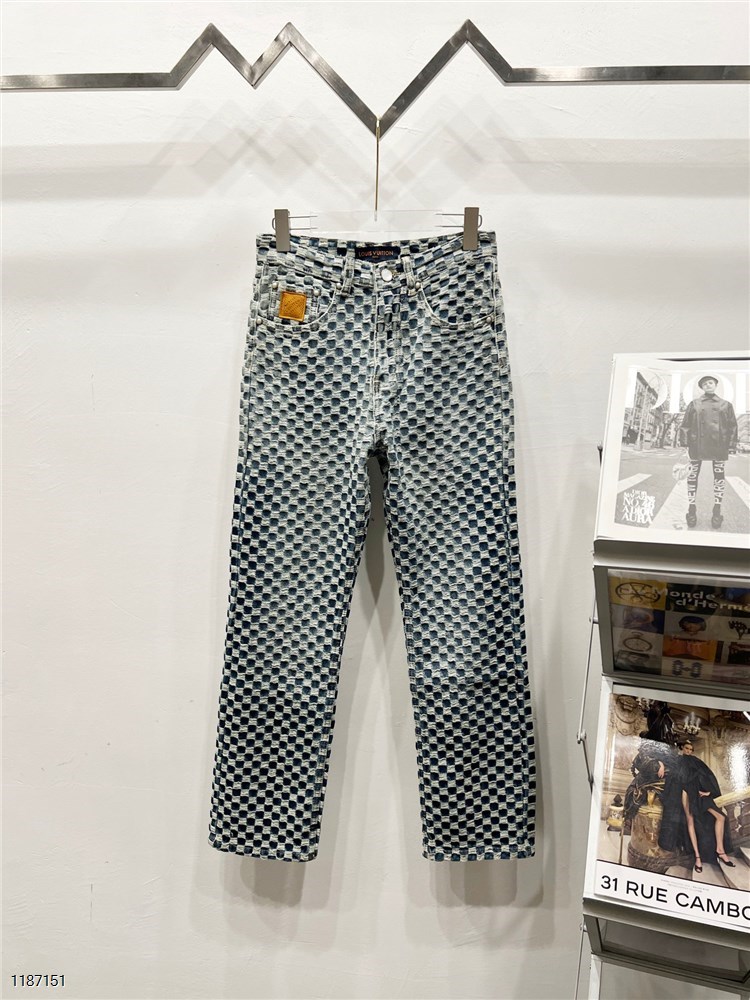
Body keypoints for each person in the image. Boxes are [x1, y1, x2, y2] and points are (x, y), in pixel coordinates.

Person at [678, 375, 738, 529]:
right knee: (692, 476)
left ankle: (717, 511)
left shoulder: (726, 405)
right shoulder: (694, 404)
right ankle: (691, 510)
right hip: (696, 445)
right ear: (702, 387)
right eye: (704, 384)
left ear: (715, 385)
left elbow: (732, 426)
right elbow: (685, 425)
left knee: (719, 477)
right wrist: (685, 443)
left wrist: (731, 445)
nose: (707, 385)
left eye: (710, 382)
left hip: (719, 446)